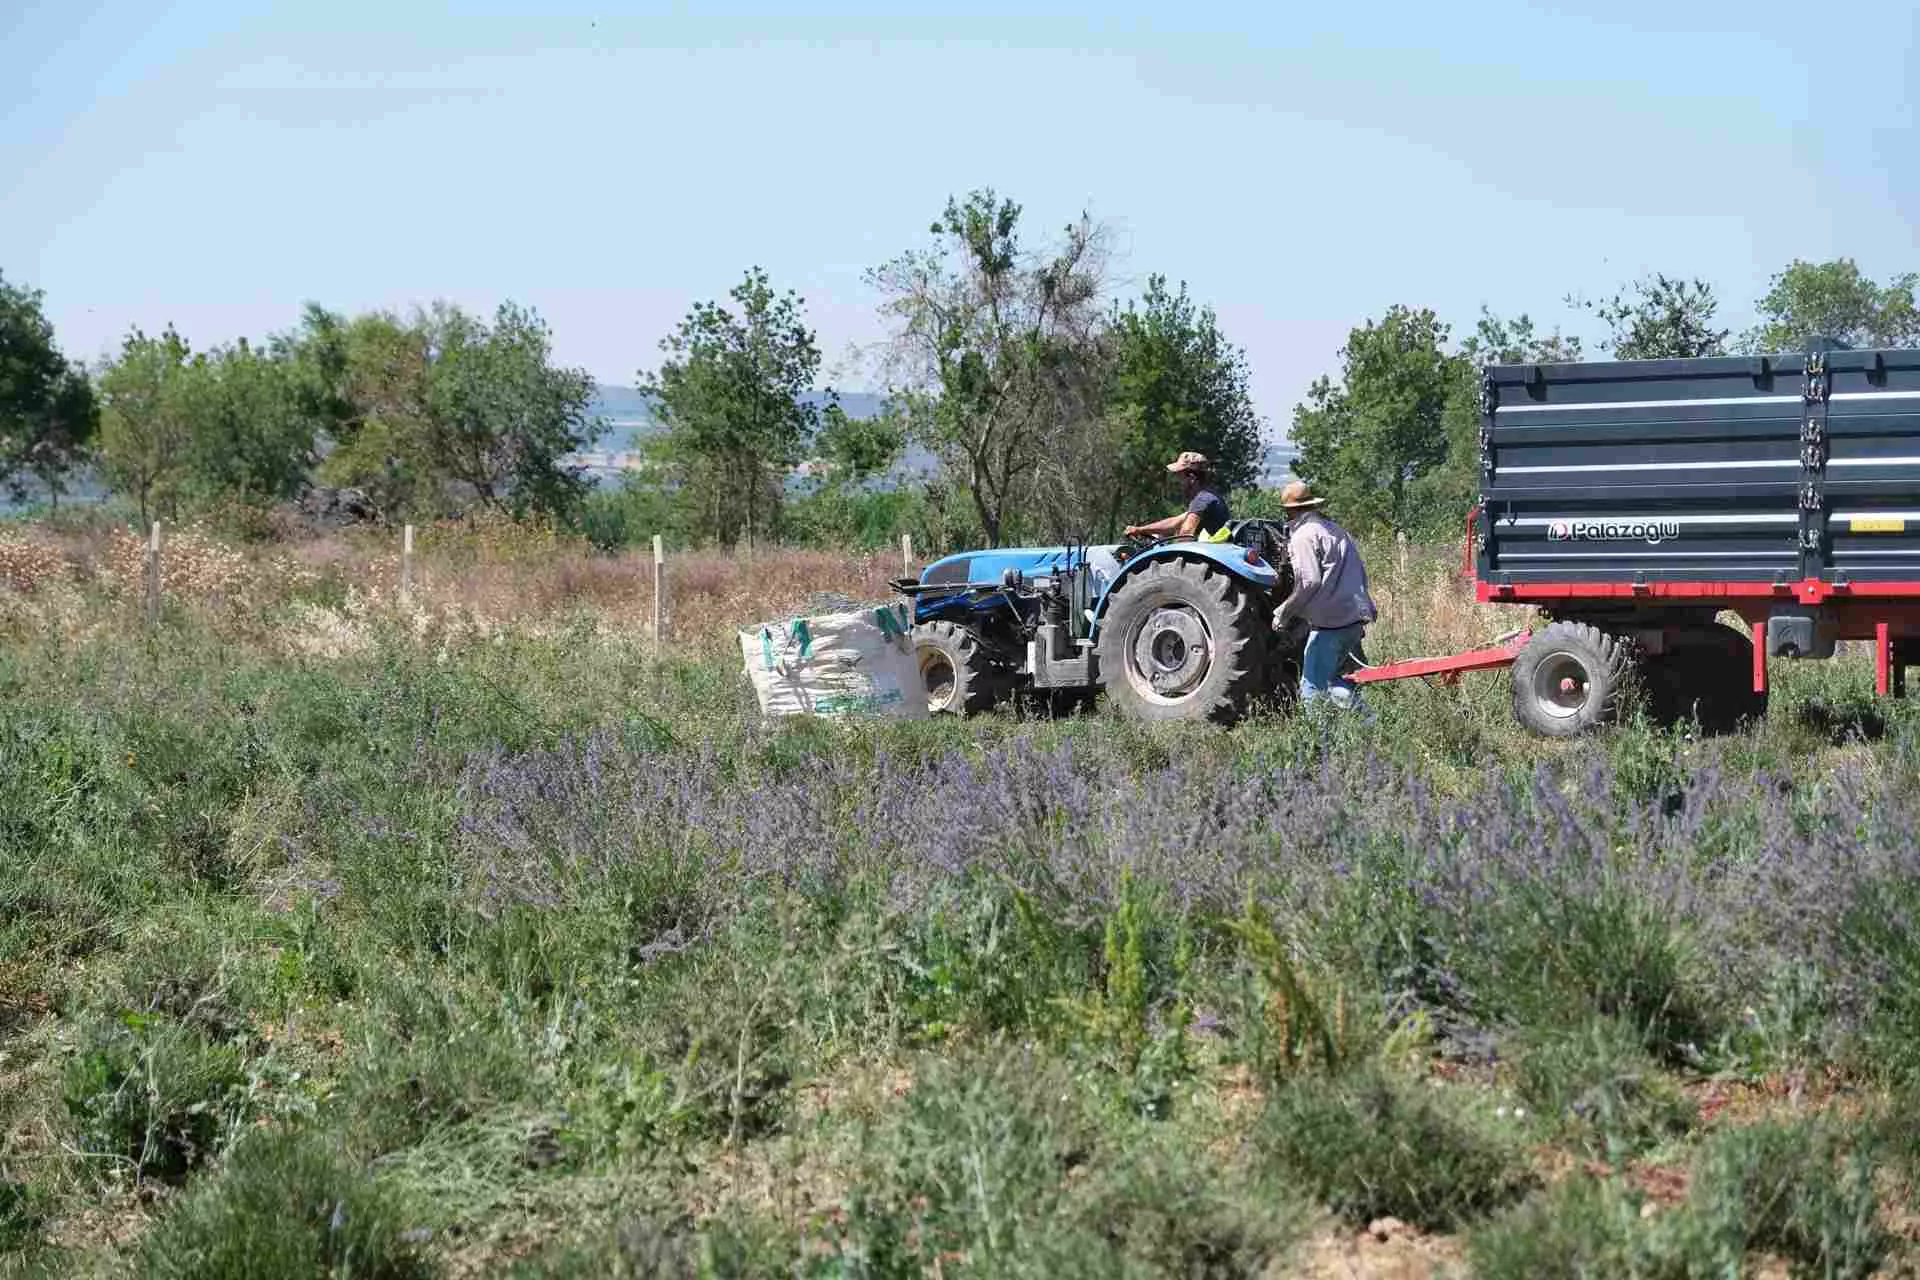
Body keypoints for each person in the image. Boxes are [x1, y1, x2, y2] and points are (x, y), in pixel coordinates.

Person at [1272, 480, 1376, 710]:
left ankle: (1319, 742)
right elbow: (1358, 570)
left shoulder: (1303, 536)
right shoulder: (1336, 530)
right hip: (1354, 618)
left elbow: (1309, 582)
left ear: (1290, 511)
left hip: (1331, 625)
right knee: (1340, 682)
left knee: (1311, 688)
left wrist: (1283, 613)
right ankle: (1364, 731)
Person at [1123, 451, 1230, 542]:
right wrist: (1141, 530)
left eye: (1179, 476)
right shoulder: (1210, 497)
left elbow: (1186, 533)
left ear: (1191, 477)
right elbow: (1174, 522)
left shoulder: (1202, 499)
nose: (1177, 481)